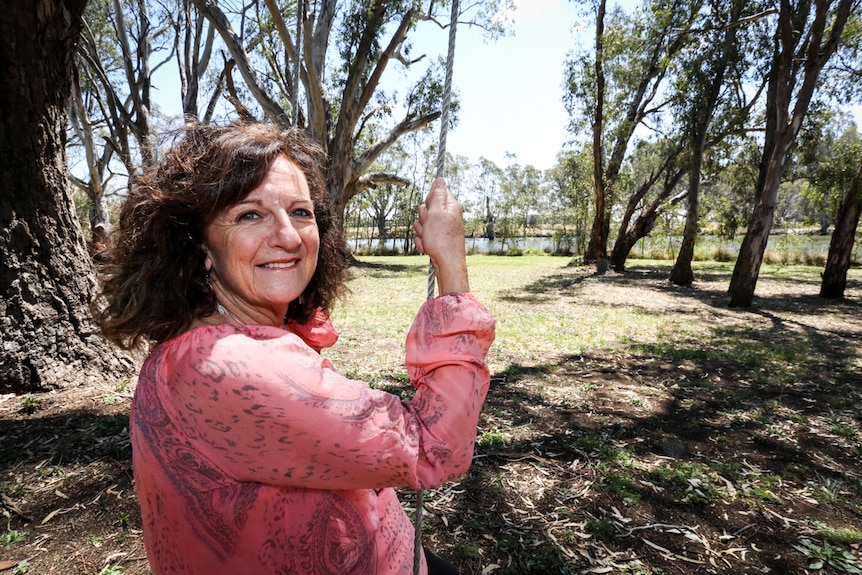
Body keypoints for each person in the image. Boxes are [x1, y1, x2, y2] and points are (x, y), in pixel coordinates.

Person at [94, 121, 496, 575]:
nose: (288, 235)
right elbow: (433, 445)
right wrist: (452, 265)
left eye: (301, 212)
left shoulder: (205, 345)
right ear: (200, 244)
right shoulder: (225, 366)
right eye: (250, 214)